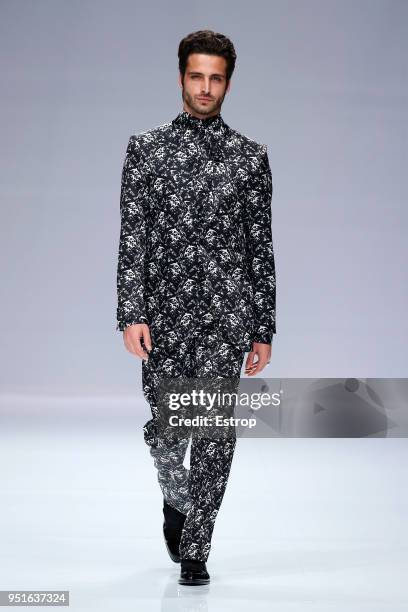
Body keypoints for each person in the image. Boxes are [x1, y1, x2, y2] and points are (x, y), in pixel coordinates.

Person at [116, 29, 276, 586]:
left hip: (226, 317)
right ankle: (176, 497)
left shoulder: (250, 158)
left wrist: (263, 325)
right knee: (166, 430)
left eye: (216, 78)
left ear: (228, 82)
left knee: (213, 433)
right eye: (196, 76)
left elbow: (261, 245)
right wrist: (129, 311)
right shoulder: (146, 149)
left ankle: (196, 548)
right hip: (162, 315)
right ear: (181, 76)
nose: (205, 88)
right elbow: (132, 237)